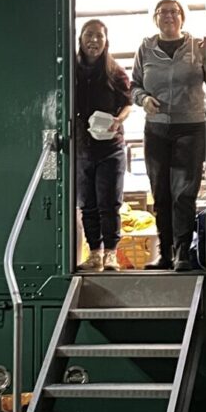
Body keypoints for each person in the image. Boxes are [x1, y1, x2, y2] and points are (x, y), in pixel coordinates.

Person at [131, 0, 206, 271]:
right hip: (156, 129)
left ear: (182, 17)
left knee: (184, 193)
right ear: (155, 19)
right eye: (163, 12)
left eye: (174, 12)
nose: (168, 16)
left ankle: (182, 253)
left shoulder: (197, 47)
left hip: (191, 127)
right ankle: (165, 254)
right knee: (160, 193)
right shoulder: (146, 48)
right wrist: (143, 100)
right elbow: (134, 86)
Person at [73, 19, 133, 271]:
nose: (94, 40)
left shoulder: (115, 72)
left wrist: (118, 120)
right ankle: (94, 253)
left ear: (106, 41)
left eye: (99, 36)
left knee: (109, 203)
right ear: (80, 39)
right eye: (89, 35)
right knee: (87, 203)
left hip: (110, 148)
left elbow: (128, 103)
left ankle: (110, 254)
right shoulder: (72, 71)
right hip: (82, 148)